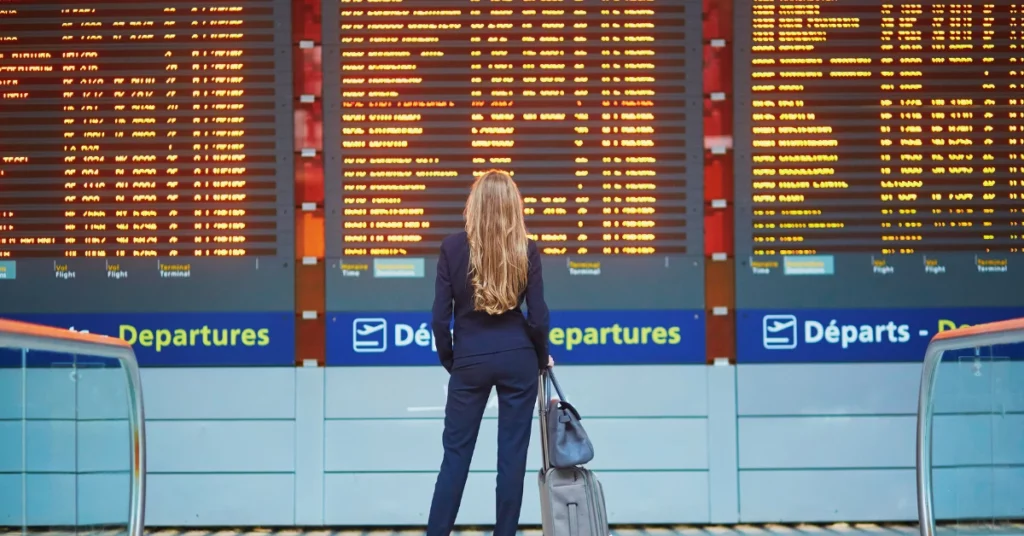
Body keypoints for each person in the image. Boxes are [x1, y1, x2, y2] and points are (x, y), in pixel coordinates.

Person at [428, 169, 553, 536]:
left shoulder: (452, 247)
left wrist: (453, 361)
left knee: (455, 456)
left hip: (469, 359)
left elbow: (439, 319)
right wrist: (540, 356)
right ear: (514, 206)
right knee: (512, 458)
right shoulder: (526, 248)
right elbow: (539, 317)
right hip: (518, 359)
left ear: (474, 205)